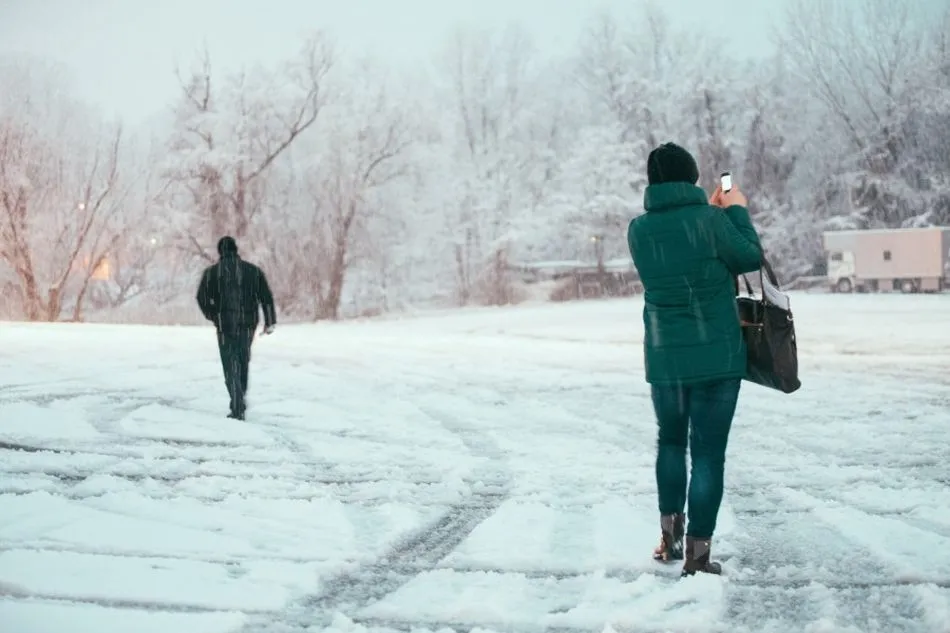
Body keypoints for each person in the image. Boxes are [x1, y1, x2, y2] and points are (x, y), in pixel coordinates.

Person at [626, 143, 763, 577]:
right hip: (717, 357)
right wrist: (735, 210)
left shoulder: (638, 229)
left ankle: (668, 539)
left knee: (670, 443)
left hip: (665, 359)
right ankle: (698, 555)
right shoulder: (711, 220)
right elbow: (748, 257)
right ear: (692, 177)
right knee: (707, 456)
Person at [196, 236, 277, 420]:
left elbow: (201, 298)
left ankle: (237, 401)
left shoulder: (212, 273)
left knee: (229, 363)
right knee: (242, 360)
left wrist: (213, 315)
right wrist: (270, 320)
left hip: (225, 324)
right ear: (236, 249)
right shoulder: (252, 271)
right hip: (248, 323)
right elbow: (266, 297)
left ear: (220, 251)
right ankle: (239, 396)